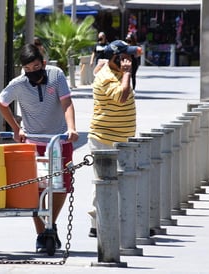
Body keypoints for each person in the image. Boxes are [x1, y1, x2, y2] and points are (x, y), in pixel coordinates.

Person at [0, 43, 79, 252]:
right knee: (36, 189)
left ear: (43, 62)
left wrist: (71, 128)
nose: (33, 72)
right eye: (28, 69)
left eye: (35, 67)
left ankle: (51, 224)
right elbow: (1, 102)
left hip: (59, 140)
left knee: (61, 186)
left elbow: (67, 102)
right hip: (34, 141)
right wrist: (16, 128)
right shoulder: (19, 84)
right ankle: (42, 233)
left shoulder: (56, 75)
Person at [87, 40, 142, 238]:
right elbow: (120, 97)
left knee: (118, 182)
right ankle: (97, 223)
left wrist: (125, 72)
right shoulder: (108, 76)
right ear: (115, 58)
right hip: (105, 138)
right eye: (124, 57)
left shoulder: (114, 72)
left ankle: (113, 220)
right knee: (103, 181)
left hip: (119, 138)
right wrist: (127, 73)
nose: (129, 60)